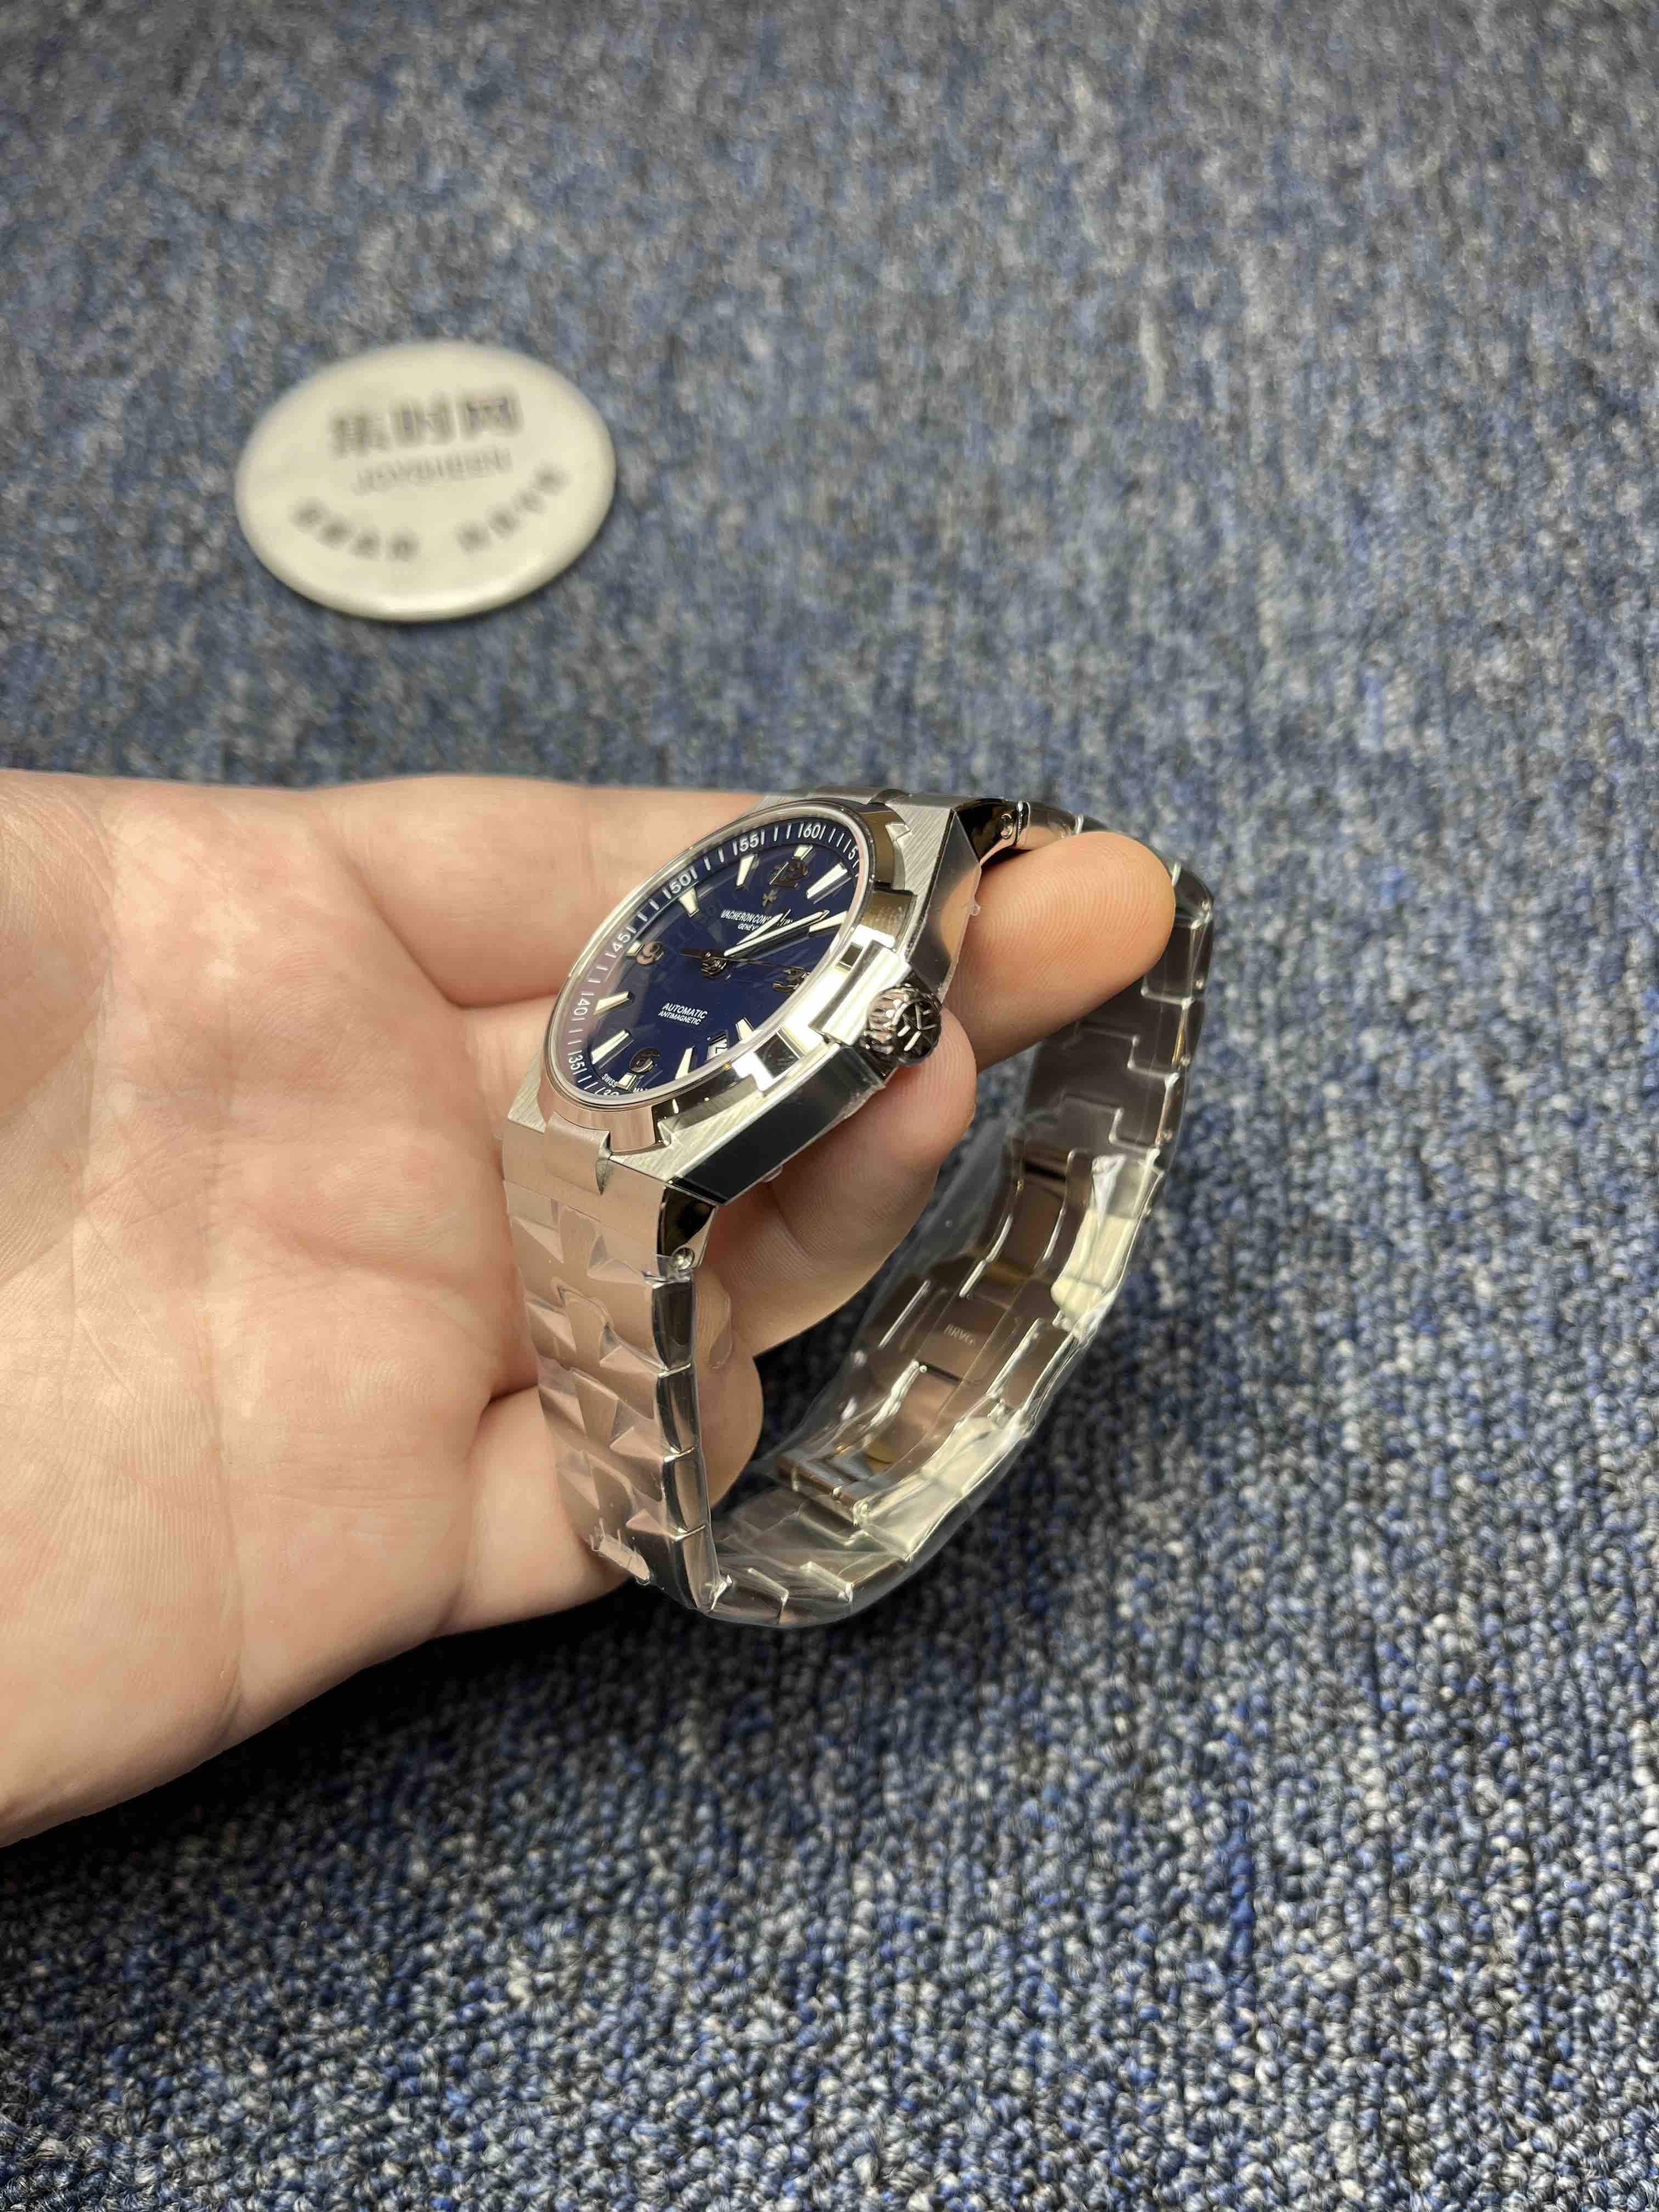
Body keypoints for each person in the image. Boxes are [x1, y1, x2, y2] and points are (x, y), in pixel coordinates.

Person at [0, 771, 1175, 1844]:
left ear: (886, 1026)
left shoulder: (880, 977)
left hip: (646, 1103)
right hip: (603, 1101)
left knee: (1090, 924)